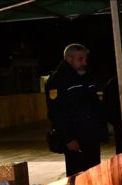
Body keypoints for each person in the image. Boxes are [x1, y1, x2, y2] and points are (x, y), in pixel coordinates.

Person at [45, 43, 107, 177]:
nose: (84, 62)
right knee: (78, 177)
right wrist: (68, 139)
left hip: (91, 136)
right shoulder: (57, 80)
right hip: (75, 139)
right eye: (81, 59)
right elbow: (57, 113)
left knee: (94, 175)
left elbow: (94, 105)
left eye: (85, 59)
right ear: (69, 59)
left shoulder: (85, 76)